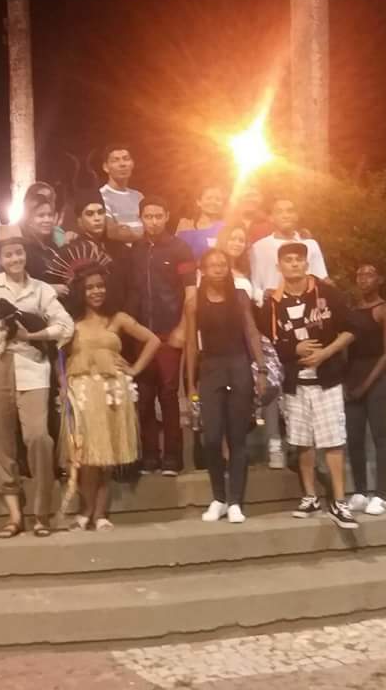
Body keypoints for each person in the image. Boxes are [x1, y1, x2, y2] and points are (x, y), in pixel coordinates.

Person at [0, 236, 74, 538]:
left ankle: (42, 512)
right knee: (1, 440)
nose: (14, 259)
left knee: (38, 437)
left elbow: (65, 326)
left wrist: (31, 336)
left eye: (19, 253)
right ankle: (14, 515)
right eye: (8, 255)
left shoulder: (41, 289)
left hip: (32, 364)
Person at [259, 242, 357, 528]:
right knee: (302, 442)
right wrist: (294, 349)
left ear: (306, 263)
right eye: (288, 260)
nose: (294, 264)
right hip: (295, 383)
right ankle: (310, 497)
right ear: (279, 266)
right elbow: (268, 345)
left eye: (298, 259)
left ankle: (339, 501)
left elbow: (351, 330)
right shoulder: (272, 303)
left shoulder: (327, 293)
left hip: (327, 380)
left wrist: (326, 353)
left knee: (333, 440)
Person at [60, 262, 160, 530]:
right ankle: (85, 510)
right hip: (82, 393)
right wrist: (62, 386)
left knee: (106, 455)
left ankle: (100, 514)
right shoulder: (71, 323)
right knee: (85, 456)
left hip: (111, 393)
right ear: (80, 291)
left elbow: (153, 340)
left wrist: (135, 369)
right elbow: (59, 355)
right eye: (90, 287)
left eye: (100, 286)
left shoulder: (118, 319)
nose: (96, 291)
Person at [185, 248, 267, 524]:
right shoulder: (194, 302)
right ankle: (218, 498)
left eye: (223, 264)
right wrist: (190, 385)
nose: (219, 269)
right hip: (210, 369)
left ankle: (235, 502)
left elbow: (251, 331)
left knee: (237, 438)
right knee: (211, 437)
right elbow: (190, 345)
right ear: (203, 270)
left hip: (238, 366)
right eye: (213, 265)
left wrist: (261, 368)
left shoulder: (240, 296)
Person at [127, 196, 196, 475]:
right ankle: (150, 456)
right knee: (144, 395)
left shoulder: (181, 248)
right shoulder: (136, 250)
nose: (153, 221)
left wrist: (183, 328)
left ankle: (173, 458)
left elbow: (191, 293)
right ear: (141, 218)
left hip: (170, 332)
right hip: (142, 334)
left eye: (158, 216)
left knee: (168, 395)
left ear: (167, 216)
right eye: (148, 216)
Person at [216, 223, 284, 469]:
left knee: (271, 383)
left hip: (252, 335)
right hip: (225, 339)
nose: (237, 243)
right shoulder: (215, 269)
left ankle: (274, 444)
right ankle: (231, 452)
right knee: (229, 393)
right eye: (232, 238)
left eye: (241, 240)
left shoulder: (247, 271)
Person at [345, 263, 386, 516]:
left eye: (369, 274)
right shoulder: (352, 312)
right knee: (354, 438)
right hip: (353, 380)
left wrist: (366, 384)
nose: (363, 279)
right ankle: (360, 492)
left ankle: (381, 495)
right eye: (359, 275)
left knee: (380, 436)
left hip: (377, 380)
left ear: (379, 280)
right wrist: (347, 382)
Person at [250, 198, 328, 296]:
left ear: (296, 216)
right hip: (272, 304)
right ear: (271, 218)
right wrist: (267, 298)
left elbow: (322, 279)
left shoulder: (311, 245)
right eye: (279, 212)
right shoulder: (259, 248)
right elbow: (255, 285)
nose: (285, 216)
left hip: (308, 302)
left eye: (290, 211)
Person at [66, 190, 131, 308]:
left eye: (100, 212)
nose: (97, 218)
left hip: (122, 311)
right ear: (79, 220)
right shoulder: (73, 250)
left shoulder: (120, 248)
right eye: (90, 214)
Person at [99, 143, 144, 234]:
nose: (122, 164)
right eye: (115, 160)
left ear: (132, 164)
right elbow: (112, 232)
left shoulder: (139, 196)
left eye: (126, 159)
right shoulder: (100, 196)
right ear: (106, 167)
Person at [176, 184, 228, 260]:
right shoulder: (185, 224)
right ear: (199, 202)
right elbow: (175, 252)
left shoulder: (226, 228)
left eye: (218, 199)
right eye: (209, 198)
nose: (213, 202)